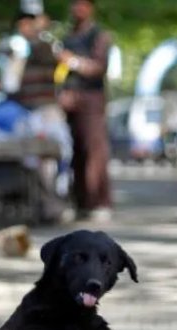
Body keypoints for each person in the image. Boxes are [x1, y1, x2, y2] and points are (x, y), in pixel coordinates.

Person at [59, 0, 113, 221]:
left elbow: (98, 68)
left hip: (92, 100)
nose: (77, 8)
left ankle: (99, 202)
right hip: (70, 101)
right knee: (75, 152)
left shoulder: (99, 35)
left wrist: (73, 62)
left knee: (94, 150)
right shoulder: (67, 37)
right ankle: (80, 201)